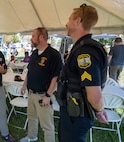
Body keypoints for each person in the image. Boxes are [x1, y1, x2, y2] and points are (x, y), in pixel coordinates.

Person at [56, 4, 109, 142]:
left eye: (69, 20)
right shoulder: (81, 48)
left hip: (77, 116)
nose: (66, 24)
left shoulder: (86, 52)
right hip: (72, 113)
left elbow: (95, 97)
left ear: (78, 21)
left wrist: (99, 109)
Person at [20, 27, 63, 142]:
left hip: (43, 95)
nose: (31, 39)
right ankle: (31, 137)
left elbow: (55, 77)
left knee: (47, 125)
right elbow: (30, 71)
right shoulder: (34, 53)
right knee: (32, 118)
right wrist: (24, 85)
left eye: (33, 36)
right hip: (31, 93)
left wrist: (48, 96)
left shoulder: (54, 54)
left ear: (41, 37)